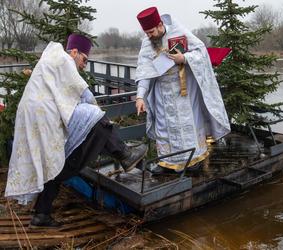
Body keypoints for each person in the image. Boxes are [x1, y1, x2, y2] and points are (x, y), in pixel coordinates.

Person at [5, 33, 147, 228]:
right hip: (43, 115)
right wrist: (99, 114)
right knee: (95, 121)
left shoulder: (53, 59)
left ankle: (41, 215)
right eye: (84, 59)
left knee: (53, 161)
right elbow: (83, 93)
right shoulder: (63, 59)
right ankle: (124, 154)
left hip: (37, 115)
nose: (84, 65)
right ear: (73, 52)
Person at [135, 7, 230, 173]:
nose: (149, 36)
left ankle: (194, 161)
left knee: (188, 125)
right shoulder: (147, 43)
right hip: (162, 93)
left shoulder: (179, 31)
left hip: (184, 92)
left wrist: (184, 58)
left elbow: (201, 52)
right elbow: (144, 72)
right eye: (146, 32)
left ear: (159, 25)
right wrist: (140, 96)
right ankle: (166, 163)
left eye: (151, 31)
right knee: (164, 128)